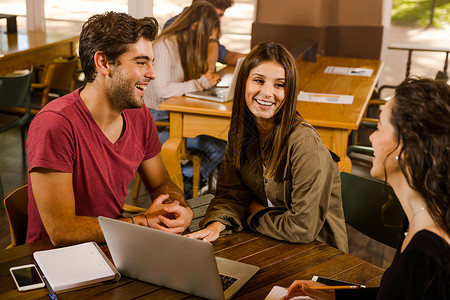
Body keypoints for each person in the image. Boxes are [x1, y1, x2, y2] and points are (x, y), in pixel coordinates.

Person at [26, 12, 193, 247]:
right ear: (103, 63)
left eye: (151, 63)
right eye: (141, 62)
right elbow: (62, 231)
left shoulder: (139, 115)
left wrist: (179, 209)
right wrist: (143, 222)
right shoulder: (55, 124)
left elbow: (160, 184)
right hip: (57, 262)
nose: (152, 74)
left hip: (114, 244)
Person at [284, 77, 450, 299]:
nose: (371, 137)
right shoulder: (419, 216)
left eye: (379, 128)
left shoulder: (426, 253)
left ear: (408, 148)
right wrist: (332, 294)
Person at [187, 41, 348, 252]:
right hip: (269, 241)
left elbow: (302, 229)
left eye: (279, 85)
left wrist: (252, 211)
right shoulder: (242, 132)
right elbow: (230, 194)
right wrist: (217, 225)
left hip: (317, 254)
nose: (267, 93)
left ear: (290, 92)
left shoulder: (305, 144)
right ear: (243, 82)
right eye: (259, 80)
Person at [144, 1, 227, 194]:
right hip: (157, 123)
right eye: (208, 35)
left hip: (171, 116)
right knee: (219, 147)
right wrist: (201, 83)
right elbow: (164, 90)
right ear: (196, 26)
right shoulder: (166, 46)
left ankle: (190, 180)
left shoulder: (182, 45)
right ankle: (185, 182)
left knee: (223, 138)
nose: (208, 40)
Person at [164, 0, 246, 66]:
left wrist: (255, 57)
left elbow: (225, 56)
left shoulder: (206, 28)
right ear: (200, 9)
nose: (219, 21)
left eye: (220, 16)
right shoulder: (174, 28)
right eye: (215, 15)